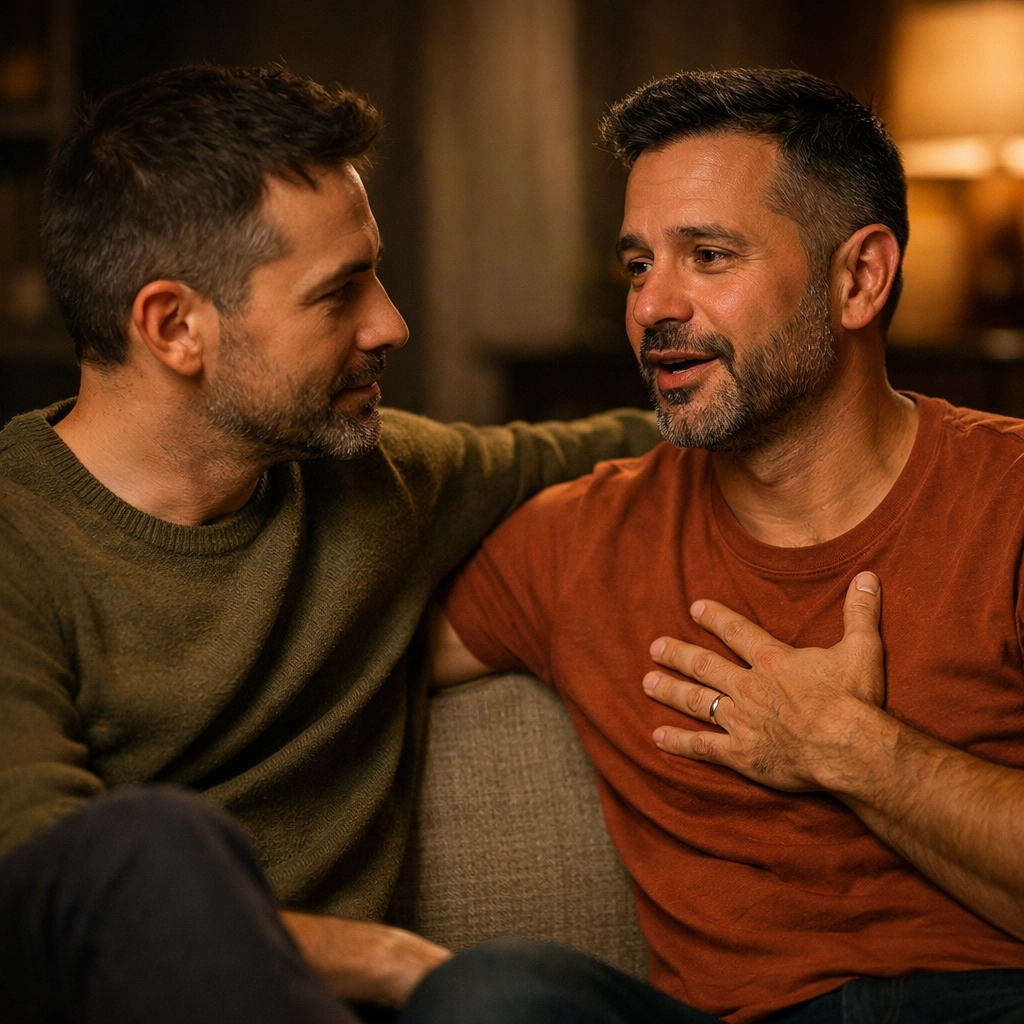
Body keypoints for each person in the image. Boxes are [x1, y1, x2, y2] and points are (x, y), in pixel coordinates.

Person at [0, 64, 663, 1023]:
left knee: (503, 998)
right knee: (145, 845)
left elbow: (627, 445)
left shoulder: (379, 478)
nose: (391, 324)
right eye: (338, 292)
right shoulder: (18, 540)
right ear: (174, 325)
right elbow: (39, 878)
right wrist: (385, 959)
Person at [433, 68, 1024, 1023]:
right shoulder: (579, 541)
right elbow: (345, 658)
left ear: (858, 278)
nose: (652, 307)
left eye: (708, 255)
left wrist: (850, 749)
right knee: (493, 995)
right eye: (637, 264)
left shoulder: (1010, 501)